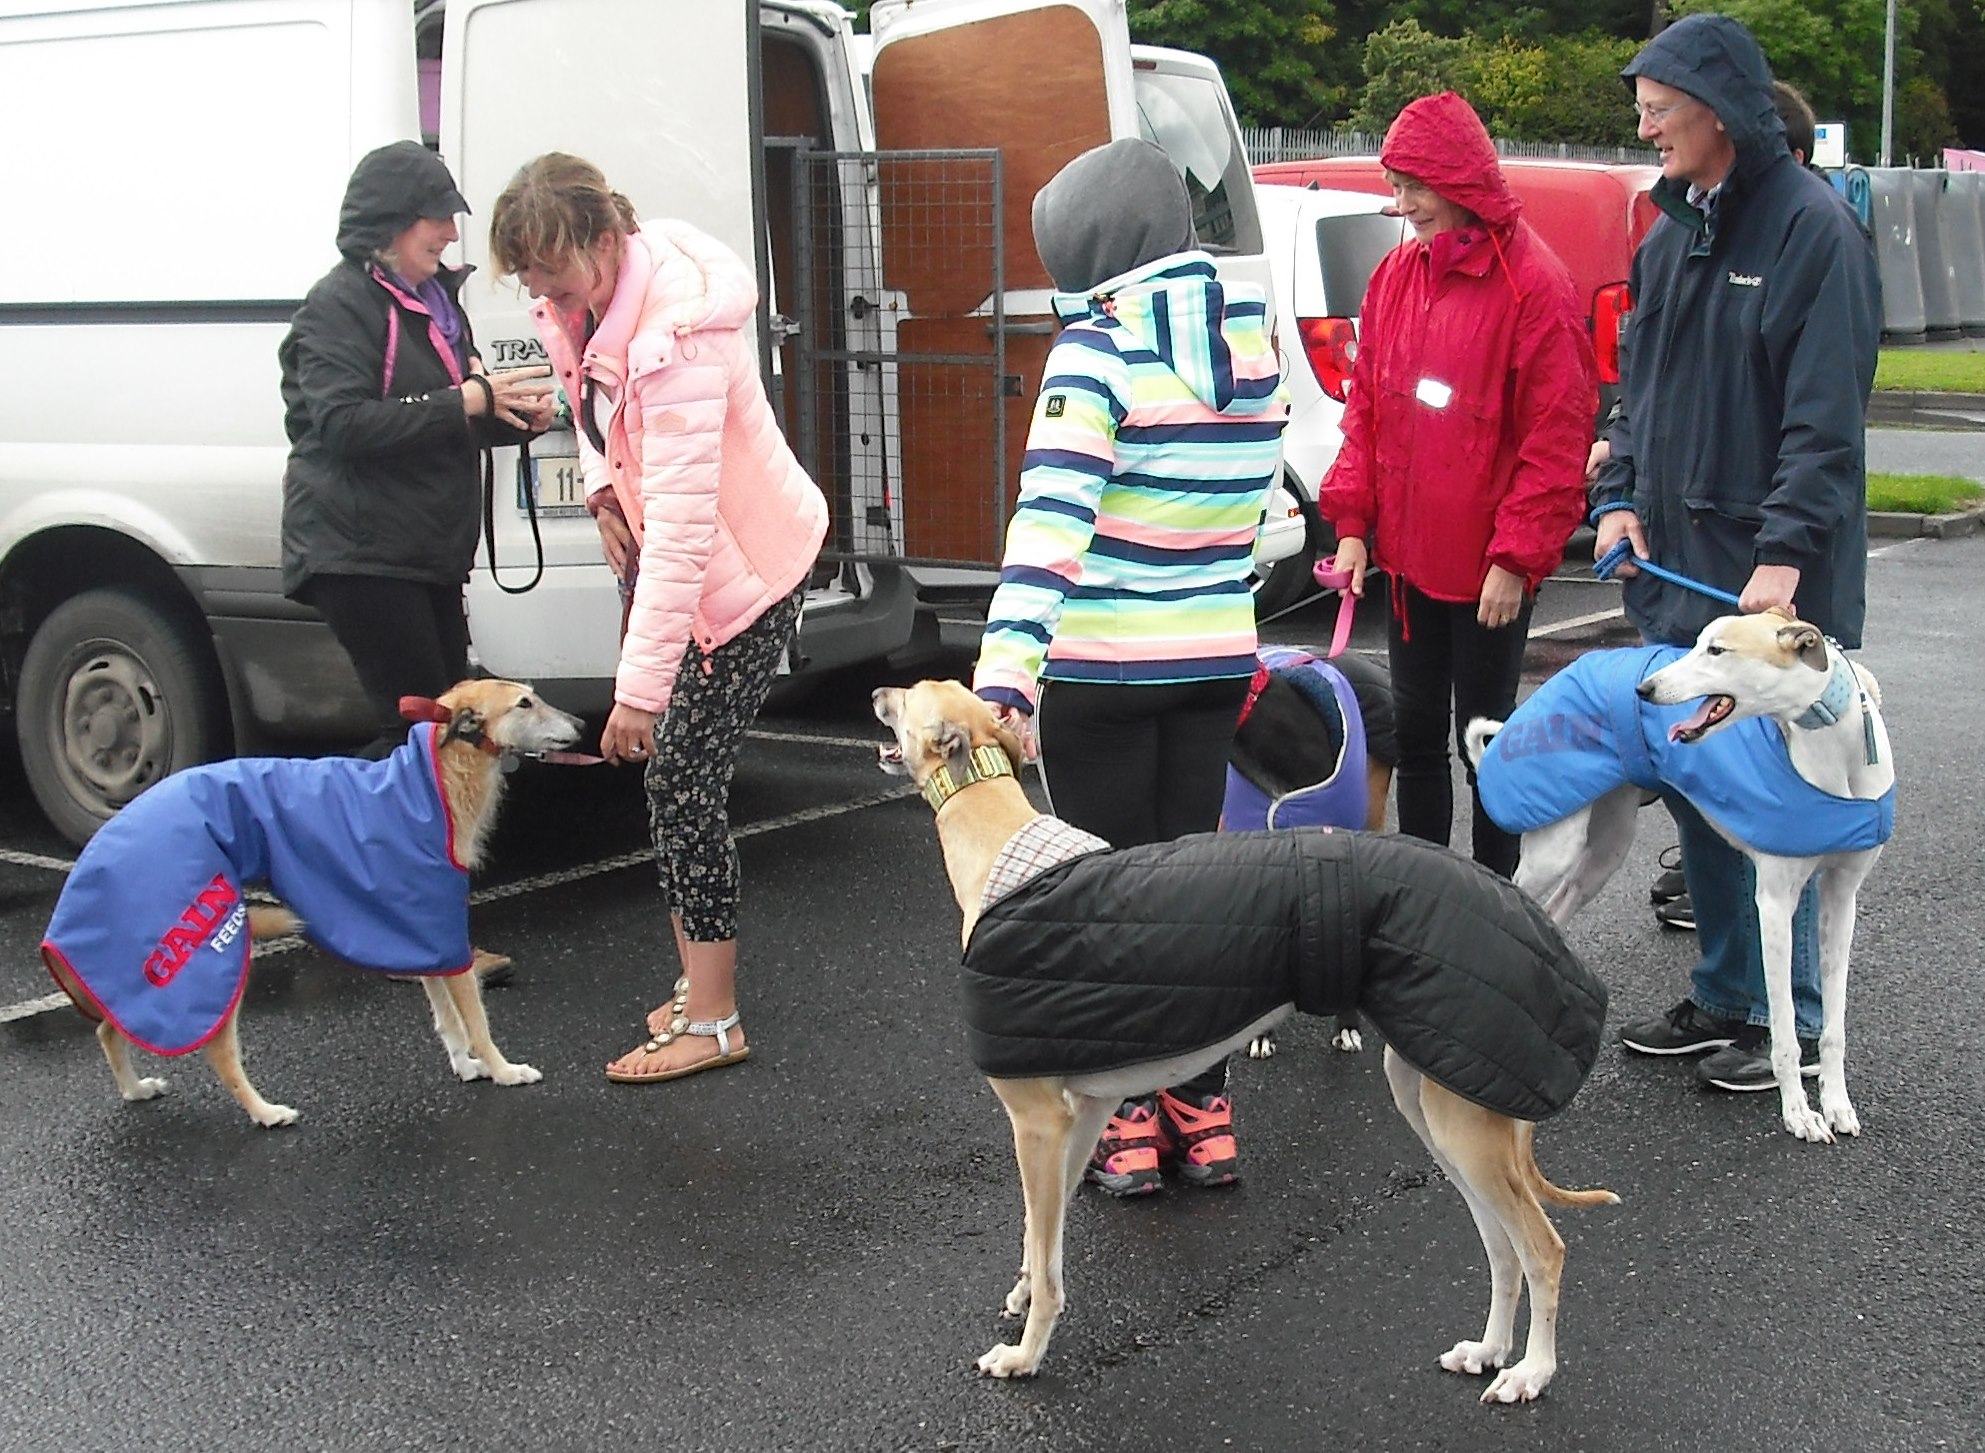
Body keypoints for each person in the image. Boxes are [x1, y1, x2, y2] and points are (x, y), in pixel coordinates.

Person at [972, 137, 1289, 1195]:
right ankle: (1204, 1115)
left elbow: (1048, 527)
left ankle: (1125, 1130)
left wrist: (1005, 676)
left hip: (1103, 672)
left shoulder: (1096, 353)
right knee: (1186, 896)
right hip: (1208, 663)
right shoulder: (1252, 345)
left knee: (1107, 906)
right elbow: (1244, 522)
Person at [487, 153, 828, 1085]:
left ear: (604, 241)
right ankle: (696, 985)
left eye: (549, 270)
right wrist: (601, 495)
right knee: (677, 782)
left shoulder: (676, 338)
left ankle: (713, 1018)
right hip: (699, 569)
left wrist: (634, 696)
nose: (540, 292)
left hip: (743, 580)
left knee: (679, 778)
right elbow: (594, 414)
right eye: (527, 276)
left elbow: (682, 531)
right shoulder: (589, 301)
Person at [1592, 14, 1881, 1092]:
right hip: (1678, 570)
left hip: (1764, 586)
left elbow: (1825, 424)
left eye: (1658, 110)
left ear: (1716, 109)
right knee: (1702, 786)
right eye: (1642, 111)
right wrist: (1616, 495)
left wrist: (1784, 557)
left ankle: (1787, 1023)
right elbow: (1637, 389)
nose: (1645, 128)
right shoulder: (1669, 234)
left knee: (1777, 803)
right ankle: (1725, 993)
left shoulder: (1812, 233)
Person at [279, 140, 556, 985]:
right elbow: (339, 425)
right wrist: (462, 400)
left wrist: (509, 418)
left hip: (421, 554)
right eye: (436, 216)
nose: (449, 229)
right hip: (361, 554)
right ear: (390, 224)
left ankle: (335, 885)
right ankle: (412, 930)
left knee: (432, 741)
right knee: (431, 743)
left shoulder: (435, 301)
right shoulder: (337, 308)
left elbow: (446, 415)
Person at [1321, 92, 1597, 879]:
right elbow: (1366, 408)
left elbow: (1556, 434)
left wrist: (1516, 557)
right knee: (1414, 738)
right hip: (1409, 561)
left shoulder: (1532, 284)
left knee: (1487, 740)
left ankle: (1495, 901)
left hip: (1485, 572)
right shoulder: (1396, 276)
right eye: (1395, 183)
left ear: (1459, 181)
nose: (1402, 203)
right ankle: (1425, 898)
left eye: (1415, 185)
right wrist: (1350, 521)